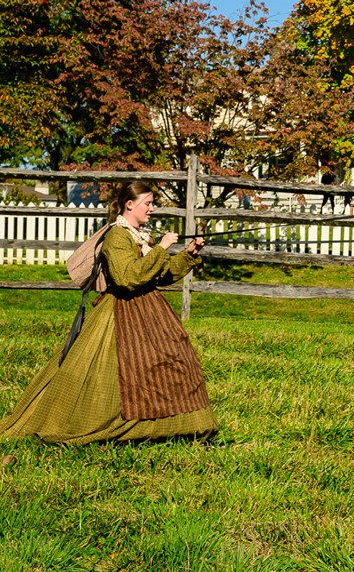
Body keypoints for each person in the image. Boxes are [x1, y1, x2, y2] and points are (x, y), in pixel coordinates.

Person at [0, 181, 214, 444]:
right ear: (129, 204)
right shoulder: (117, 236)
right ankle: (107, 425)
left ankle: (178, 428)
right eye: (148, 203)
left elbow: (159, 274)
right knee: (116, 373)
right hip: (121, 312)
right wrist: (161, 248)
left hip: (150, 310)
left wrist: (189, 254)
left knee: (176, 362)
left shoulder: (139, 236)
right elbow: (127, 278)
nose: (152, 209)